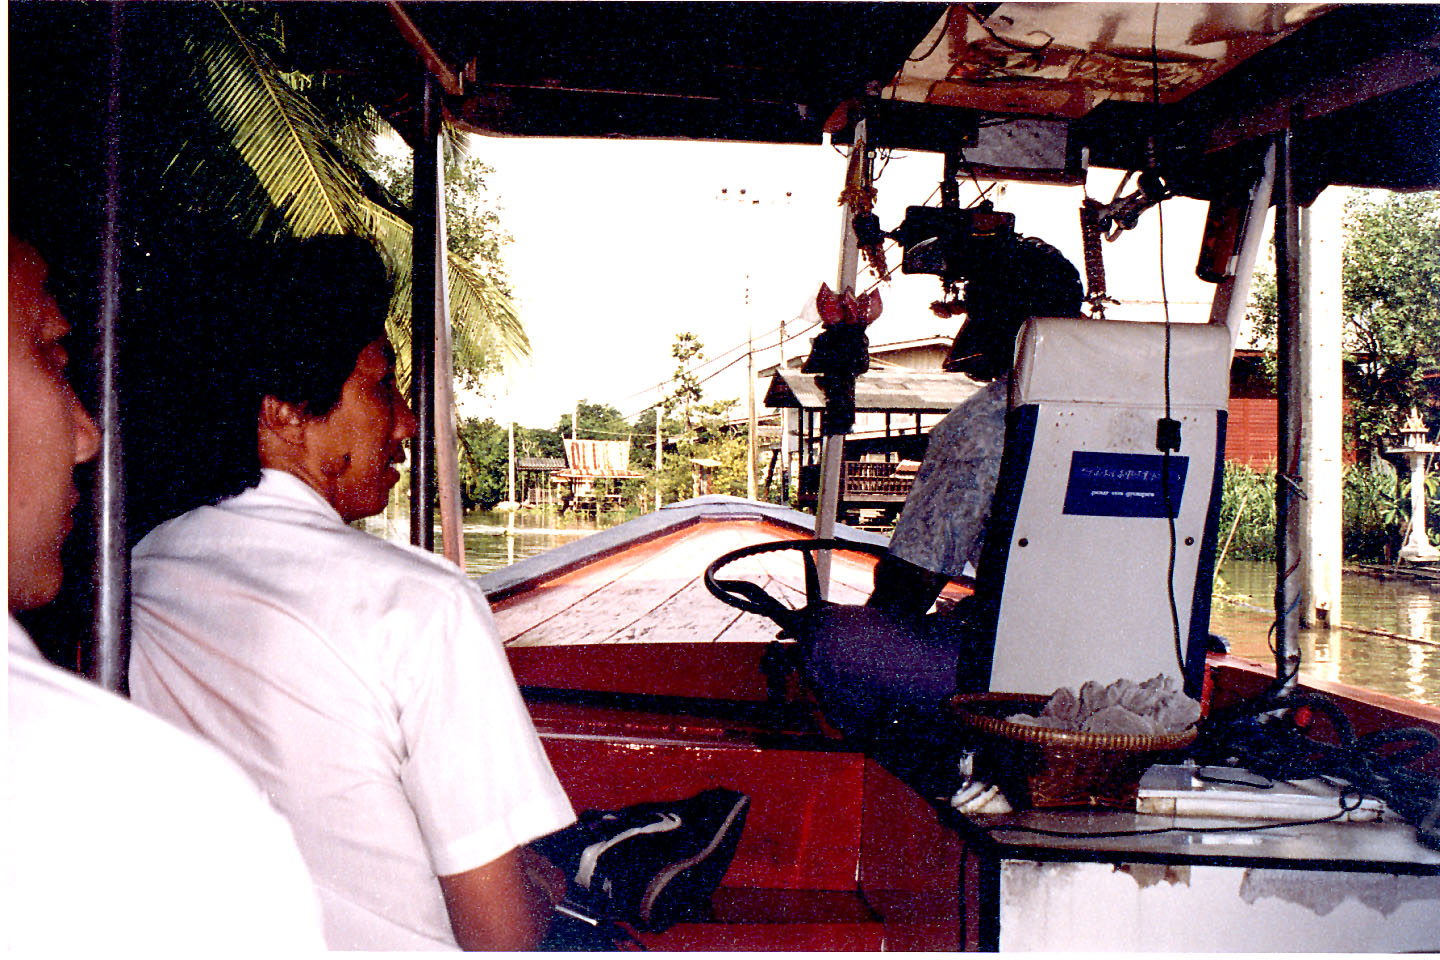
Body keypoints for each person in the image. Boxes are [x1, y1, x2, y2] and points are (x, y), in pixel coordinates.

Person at [128, 235, 747, 951]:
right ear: (284, 412)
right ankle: (590, 862)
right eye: (380, 387)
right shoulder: (420, 604)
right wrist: (539, 891)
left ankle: (589, 856)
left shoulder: (144, 570)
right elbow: (500, 939)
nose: (407, 423)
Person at [7, 233, 327, 953]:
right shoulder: (176, 813)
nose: (87, 437)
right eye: (53, 360)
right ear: (280, 410)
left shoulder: (149, 562)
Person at [801, 233, 1085, 736]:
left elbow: (907, 589)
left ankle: (919, 772)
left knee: (829, 641)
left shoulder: (985, 423)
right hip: (1128, 659)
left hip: (1012, 672)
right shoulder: (1152, 410)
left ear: (997, 322)